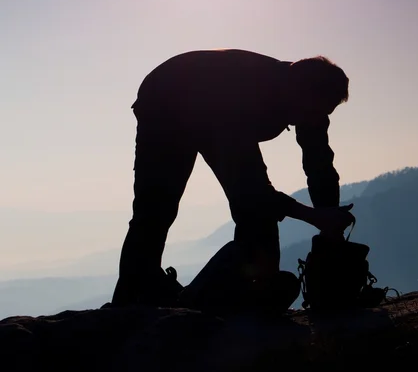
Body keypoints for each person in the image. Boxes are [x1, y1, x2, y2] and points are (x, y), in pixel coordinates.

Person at [111, 49, 354, 307]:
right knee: (156, 207)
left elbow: (320, 166)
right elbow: (254, 191)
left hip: (211, 109)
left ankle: (254, 287)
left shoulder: (308, 100)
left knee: (257, 212)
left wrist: (331, 222)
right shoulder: (245, 96)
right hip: (167, 103)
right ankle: (129, 299)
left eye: (325, 113)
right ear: (297, 93)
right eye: (315, 111)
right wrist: (314, 216)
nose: (317, 120)